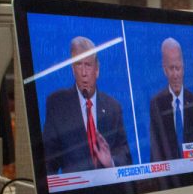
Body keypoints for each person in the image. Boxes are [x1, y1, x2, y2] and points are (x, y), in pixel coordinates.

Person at [42, 36, 132, 174]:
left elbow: (126, 156)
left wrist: (111, 162)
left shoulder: (113, 107)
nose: (84, 73)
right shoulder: (57, 105)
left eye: (88, 65)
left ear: (97, 70)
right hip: (75, 192)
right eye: (78, 65)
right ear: (73, 69)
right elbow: (47, 161)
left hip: (111, 190)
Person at [148, 37, 193, 162]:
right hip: (170, 178)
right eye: (171, 68)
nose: (176, 74)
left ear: (184, 67)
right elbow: (155, 154)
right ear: (164, 69)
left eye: (179, 68)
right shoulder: (156, 104)